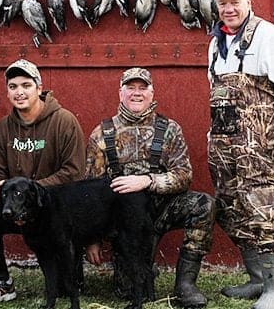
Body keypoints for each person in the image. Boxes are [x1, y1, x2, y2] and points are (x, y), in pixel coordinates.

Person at [207, 0, 274, 309]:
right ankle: (255, 280)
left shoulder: (269, 37)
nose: (228, 8)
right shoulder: (216, 42)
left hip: (259, 149)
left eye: (234, 1)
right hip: (224, 151)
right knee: (233, 211)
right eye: (222, 2)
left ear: (249, 1)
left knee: (264, 213)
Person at [85, 67, 215, 308]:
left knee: (204, 204)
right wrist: (92, 240)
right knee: (129, 293)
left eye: (142, 88)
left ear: (152, 93)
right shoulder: (102, 134)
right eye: (130, 88)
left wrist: (148, 181)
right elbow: (91, 193)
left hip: (161, 209)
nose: (137, 93)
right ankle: (141, 269)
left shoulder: (169, 129)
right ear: (120, 93)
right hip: (124, 222)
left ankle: (185, 285)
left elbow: (184, 175)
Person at [0, 58, 87, 307]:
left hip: (53, 208)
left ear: (39, 87)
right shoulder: (2, 129)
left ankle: (69, 276)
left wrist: (32, 197)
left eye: (26, 85)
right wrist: (3, 191)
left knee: (67, 285)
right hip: (14, 205)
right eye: (13, 87)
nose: (19, 92)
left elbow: (74, 173)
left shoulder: (64, 122)